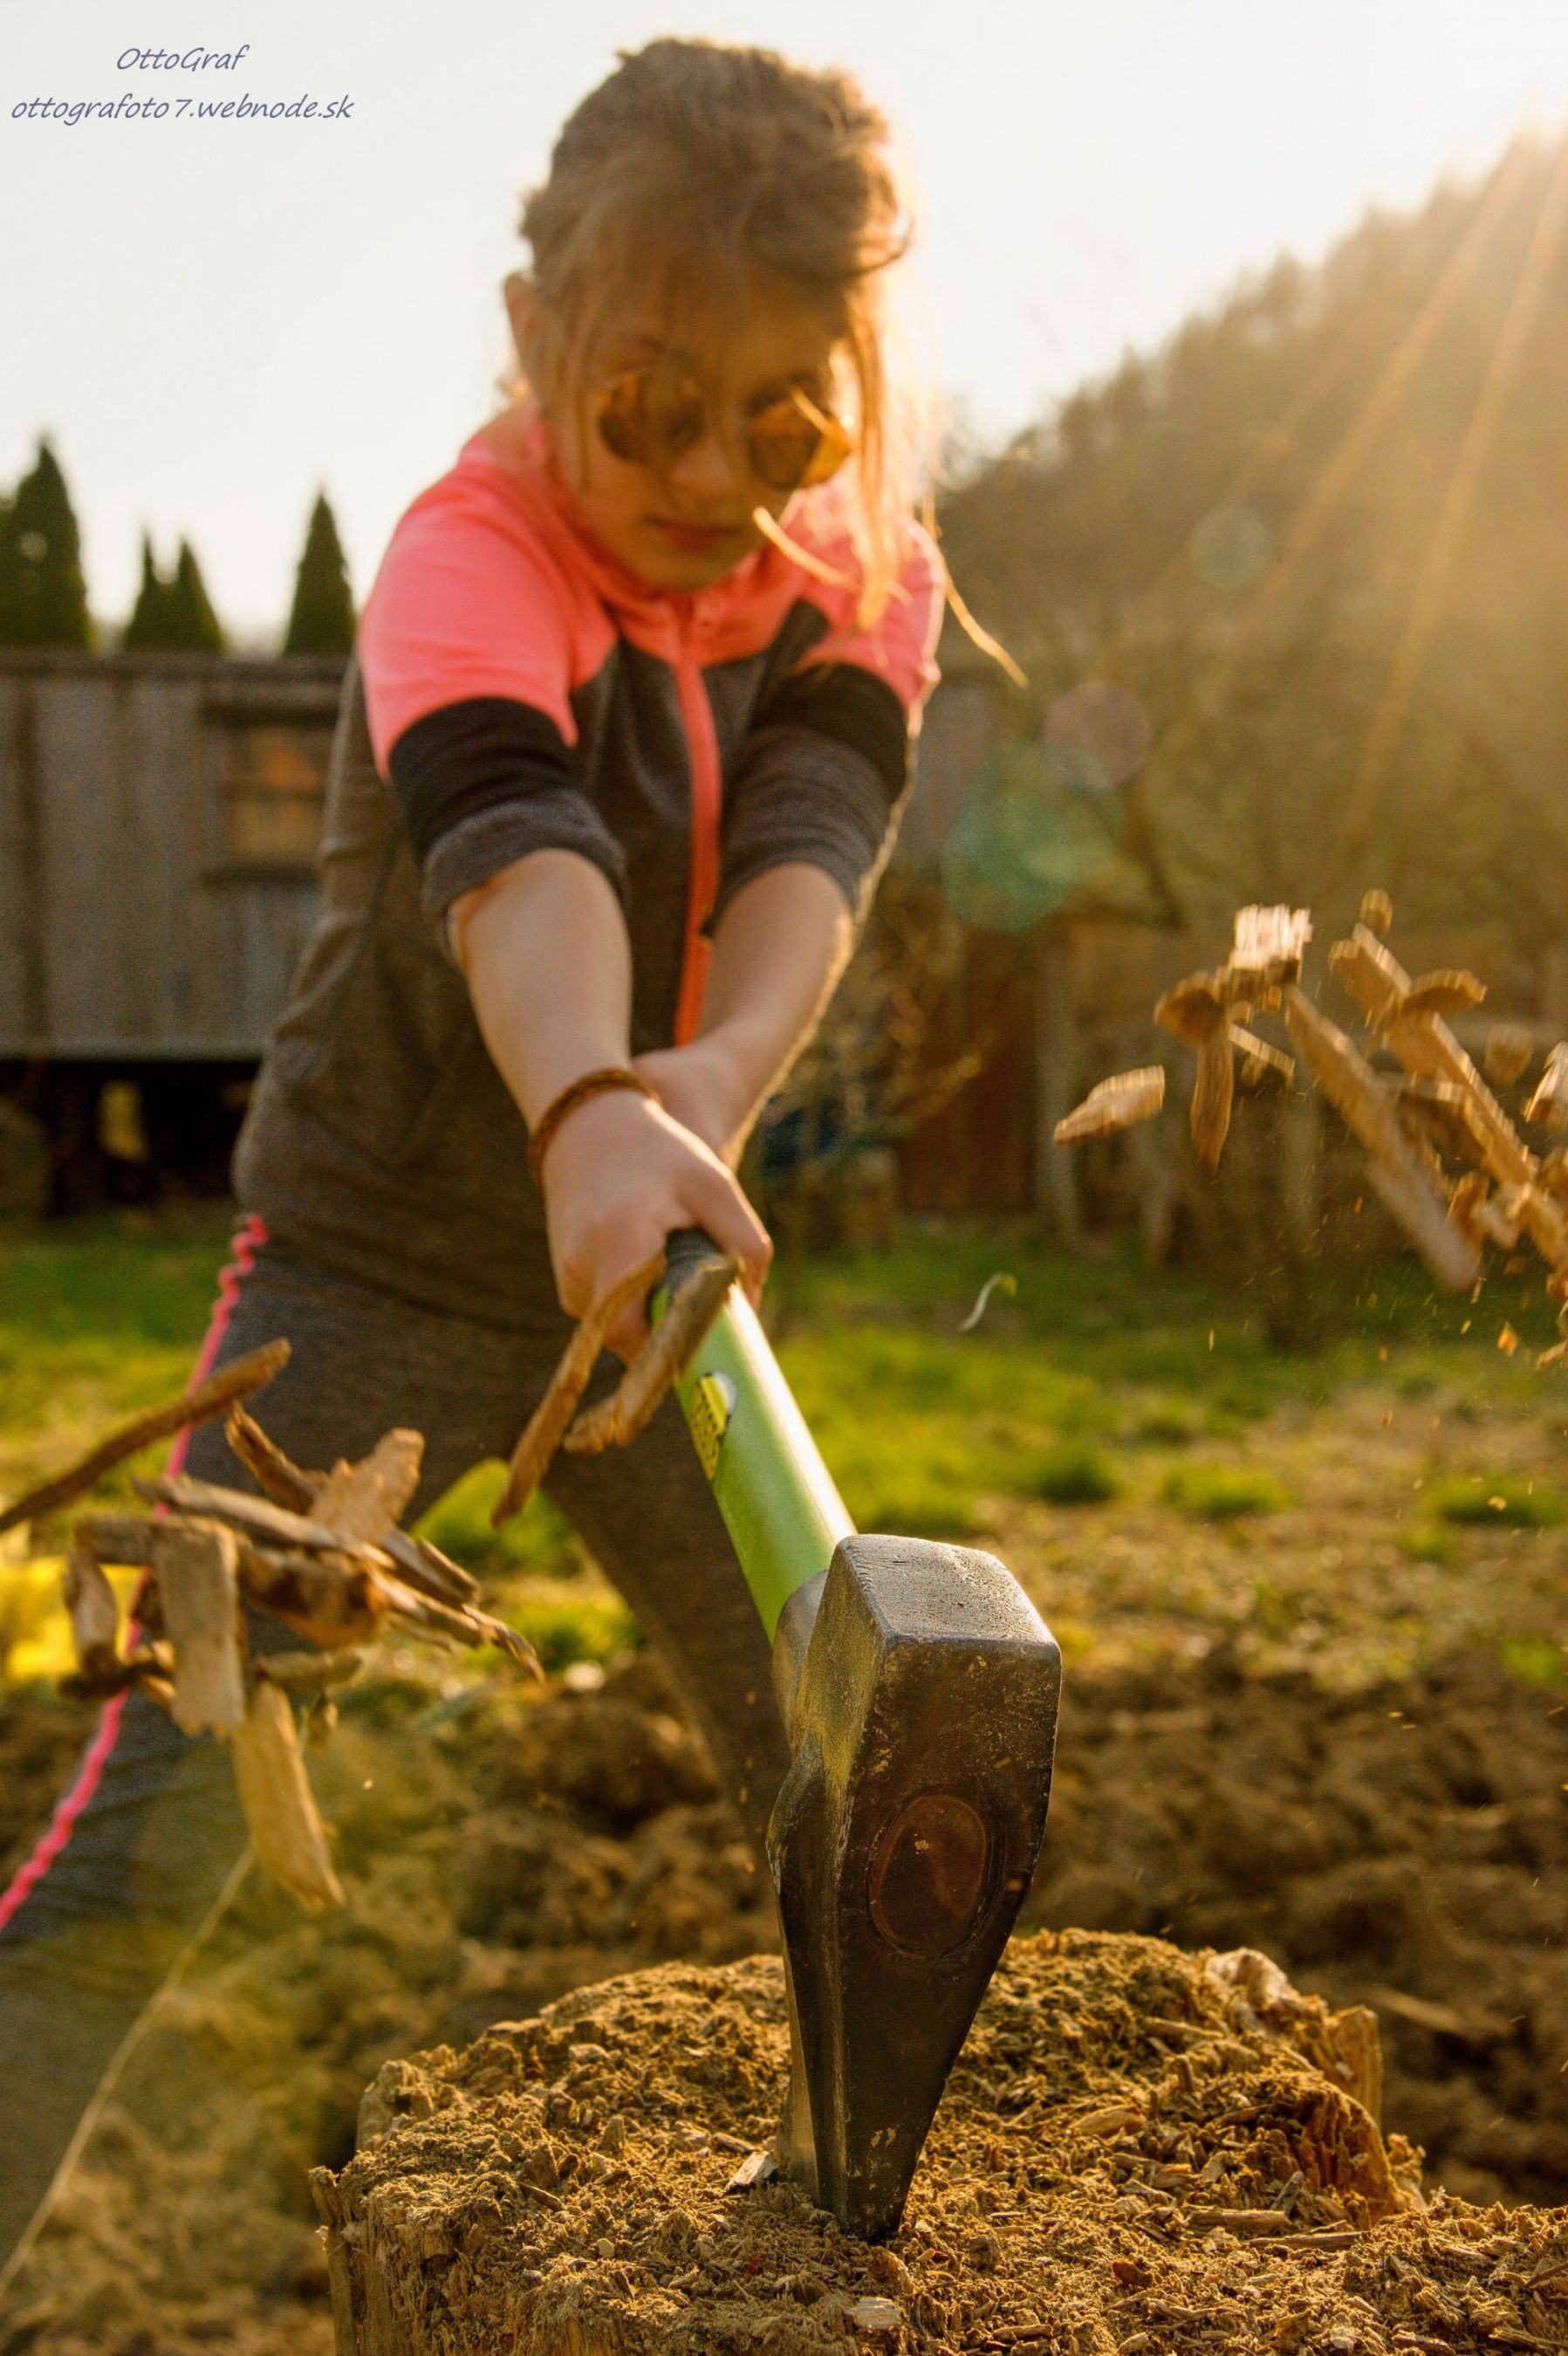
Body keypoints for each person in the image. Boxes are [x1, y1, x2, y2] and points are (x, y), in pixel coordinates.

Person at [0, 36, 944, 2264]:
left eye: (785, 412)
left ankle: (857, 2213)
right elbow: (519, 852)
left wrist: (692, 1092)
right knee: (152, 1849)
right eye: (648, 404)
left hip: (647, 1273)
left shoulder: (858, 560)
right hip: (366, 1274)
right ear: (537, 346)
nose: (721, 468)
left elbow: (817, 835)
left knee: (842, 1757)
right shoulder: (465, 551)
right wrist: (588, 1103)